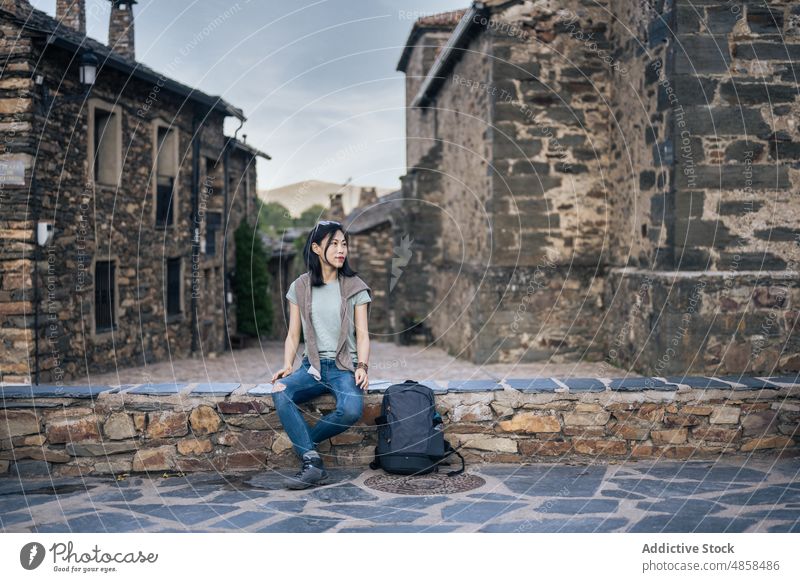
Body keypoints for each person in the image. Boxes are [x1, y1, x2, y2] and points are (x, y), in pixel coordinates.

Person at [271, 220, 372, 489]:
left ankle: (306, 449)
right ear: (316, 248)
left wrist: (362, 365)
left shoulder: (354, 286)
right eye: (334, 244)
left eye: (344, 244)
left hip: (343, 368)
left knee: (351, 410)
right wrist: (287, 365)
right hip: (311, 367)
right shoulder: (300, 287)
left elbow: (362, 334)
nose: (341, 250)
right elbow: (294, 334)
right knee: (281, 391)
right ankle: (313, 463)